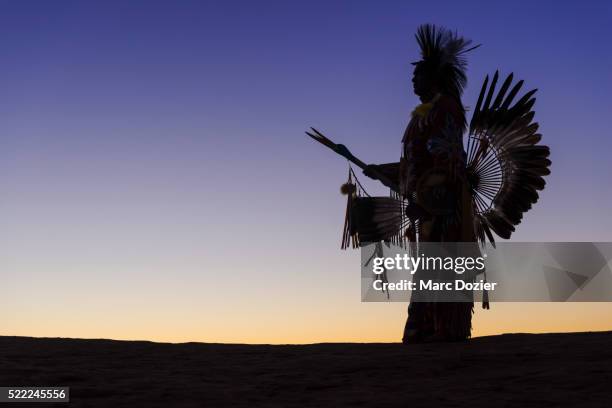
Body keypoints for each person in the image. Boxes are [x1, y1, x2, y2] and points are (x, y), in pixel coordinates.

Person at [364, 24, 479, 342]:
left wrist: (428, 201)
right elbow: (417, 164)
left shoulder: (445, 110)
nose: (412, 81)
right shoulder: (423, 114)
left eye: (418, 76)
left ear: (435, 78)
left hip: (444, 208)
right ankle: (426, 328)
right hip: (428, 208)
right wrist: (382, 171)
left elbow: (448, 163)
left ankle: (438, 331)